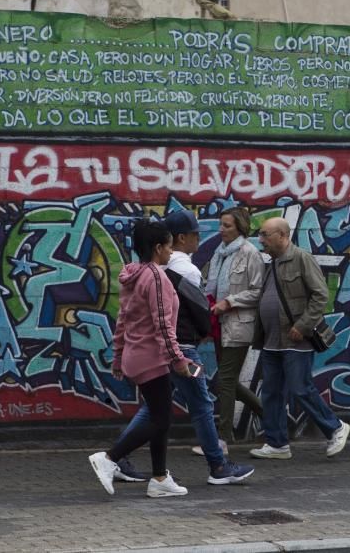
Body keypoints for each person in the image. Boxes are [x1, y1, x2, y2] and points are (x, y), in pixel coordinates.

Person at [112, 210, 255, 486]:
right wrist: (196, 339)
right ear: (178, 238)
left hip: (155, 349)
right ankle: (217, 465)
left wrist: (118, 354)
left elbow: (125, 316)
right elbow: (195, 309)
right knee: (200, 403)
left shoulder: (140, 270)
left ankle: (126, 460)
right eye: (194, 234)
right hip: (181, 348)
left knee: (156, 407)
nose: (198, 239)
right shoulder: (182, 269)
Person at [88, 220, 193, 497]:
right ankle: (110, 458)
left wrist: (119, 356)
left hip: (137, 354)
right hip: (151, 356)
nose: (171, 252)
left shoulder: (132, 274)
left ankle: (159, 479)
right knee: (161, 419)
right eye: (169, 246)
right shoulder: (156, 277)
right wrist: (178, 358)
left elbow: (123, 319)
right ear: (158, 247)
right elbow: (162, 323)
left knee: (160, 416)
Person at [249, 217, 350, 460]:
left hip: (296, 340)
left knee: (299, 388)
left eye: (265, 235)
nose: (261, 240)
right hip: (272, 340)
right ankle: (277, 444)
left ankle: (335, 427)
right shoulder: (272, 263)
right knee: (271, 392)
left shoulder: (301, 258)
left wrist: (303, 326)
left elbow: (320, 295)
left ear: (282, 236)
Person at [204, 207, 265, 448]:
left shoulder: (250, 253)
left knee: (225, 381)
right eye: (220, 225)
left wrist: (229, 302)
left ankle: (223, 438)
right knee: (228, 381)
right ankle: (271, 417)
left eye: (227, 226)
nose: (221, 230)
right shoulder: (219, 254)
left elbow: (257, 291)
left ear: (240, 227)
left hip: (239, 326)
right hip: (219, 324)